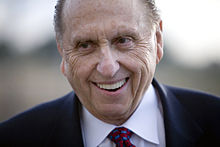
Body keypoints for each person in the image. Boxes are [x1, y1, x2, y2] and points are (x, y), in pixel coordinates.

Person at [0, 0, 220, 146]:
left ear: (158, 41)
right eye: (85, 45)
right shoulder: (14, 138)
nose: (108, 68)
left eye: (124, 40)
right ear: (63, 55)